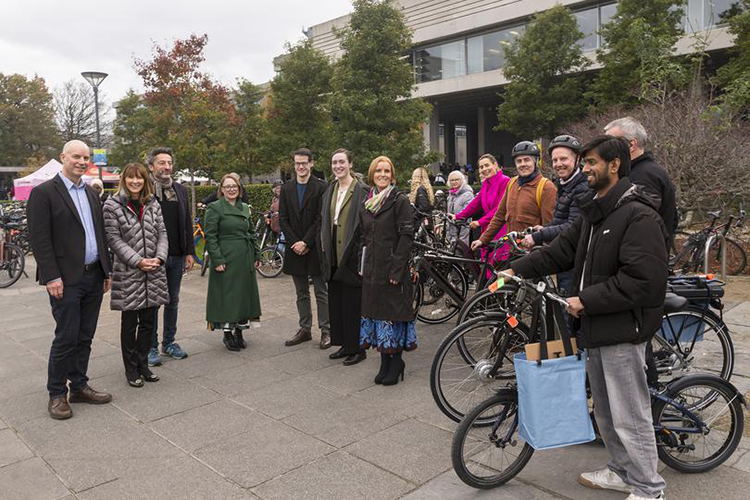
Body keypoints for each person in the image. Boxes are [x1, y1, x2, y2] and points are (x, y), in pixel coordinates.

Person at [504, 135, 668, 500]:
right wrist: (516, 271)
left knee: (631, 416)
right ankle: (622, 471)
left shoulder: (638, 214)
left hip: (623, 330)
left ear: (614, 165)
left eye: (592, 162)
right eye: (586, 162)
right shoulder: (597, 211)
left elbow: (644, 282)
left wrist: (586, 301)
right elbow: (560, 251)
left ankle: (649, 488)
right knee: (607, 414)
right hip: (595, 328)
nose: (586, 168)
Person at [27, 140, 113, 420]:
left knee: (85, 336)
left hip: (94, 275)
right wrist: (51, 275)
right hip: (65, 279)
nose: (81, 161)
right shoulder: (43, 193)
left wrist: (106, 270)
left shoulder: (90, 193)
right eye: (76, 156)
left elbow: (98, 234)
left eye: (86, 157)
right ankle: (56, 394)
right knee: (66, 337)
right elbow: (40, 239)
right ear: (63, 157)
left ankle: (78, 386)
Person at [103, 163, 168, 387]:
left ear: (145, 180)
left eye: (139, 178)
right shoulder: (112, 205)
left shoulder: (152, 202)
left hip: (154, 271)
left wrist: (159, 258)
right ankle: (131, 369)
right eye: (131, 178)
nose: (135, 182)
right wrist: (137, 260)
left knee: (149, 323)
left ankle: (143, 365)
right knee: (130, 323)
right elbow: (113, 239)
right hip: (130, 272)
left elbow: (162, 232)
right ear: (124, 179)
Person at [359, 156, 417, 386]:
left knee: (393, 317)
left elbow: (406, 236)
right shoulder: (368, 200)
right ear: (372, 174)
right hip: (372, 268)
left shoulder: (399, 200)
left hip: (393, 269)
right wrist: (361, 264)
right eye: (378, 171)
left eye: (386, 171)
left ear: (392, 175)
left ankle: (396, 363)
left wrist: (396, 269)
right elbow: (363, 236)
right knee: (378, 315)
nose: (382, 174)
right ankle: (385, 361)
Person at [520, 135, 592, 297]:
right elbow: (561, 219)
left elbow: (572, 226)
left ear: (577, 158)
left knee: (568, 311)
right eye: (555, 160)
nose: (558, 164)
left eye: (564, 159)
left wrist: (538, 236)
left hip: (575, 261)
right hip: (565, 257)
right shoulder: (563, 183)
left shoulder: (583, 187)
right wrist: (545, 228)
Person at [319, 149, 368, 366]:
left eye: (341, 162)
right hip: (333, 255)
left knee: (353, 304)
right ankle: (343, 344)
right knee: (336, 302)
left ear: (350, 164)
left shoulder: (362, 190)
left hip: (352, 254)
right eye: (334, 162)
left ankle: (357, 348)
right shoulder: (330, 190)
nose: (337, 166)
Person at [146, 147, 194, 366]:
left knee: (172, 302)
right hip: (153, 258)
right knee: (153, 303)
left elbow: (186, 222)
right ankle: (150, 347)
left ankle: (169, 343)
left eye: (169, 163)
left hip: (176, 255)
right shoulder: (144, 190)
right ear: (151, 166)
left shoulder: (180, 190)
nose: (166, 167)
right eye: (161, 163)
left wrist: (189, 252)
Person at [278, 148, 331, 348]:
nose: (300, 166)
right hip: (294, 248)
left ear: (311, 164)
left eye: (304, 163)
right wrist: (295, 242)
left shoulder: (321, 187)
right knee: (301, 292)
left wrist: (306, 242)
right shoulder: (287, 188)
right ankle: (305, 329)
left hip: (314, 247)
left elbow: (320, 218)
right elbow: (282, 218)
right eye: (297, 163)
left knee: (321, 291)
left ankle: (326, 331)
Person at [205, 173, 262, 351]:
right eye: (227, 186)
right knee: (228, 296)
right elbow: (211, 236)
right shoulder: (214, 208)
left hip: (244, 257)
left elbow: (251, 232)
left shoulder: (245, 207)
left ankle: (240, 331)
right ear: (221, 190)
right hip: (226, 257)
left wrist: (257, 254)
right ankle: (227, 333)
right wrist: (217, 259)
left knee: (243, 295)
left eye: (234, 186)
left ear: (239, 189)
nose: (231, 189)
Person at [471, 142, 557, 252]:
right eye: (519, 161)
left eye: (527, 160)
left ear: (535, 162)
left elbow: (549, 227)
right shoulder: (512, 183)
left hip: (533, 253)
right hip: (513, 250)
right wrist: (483, 239)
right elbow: (499, 216)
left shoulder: (546, 187)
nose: (522, 164)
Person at [604, 116, 677, 243]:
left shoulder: (644, 176)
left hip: (640, 256)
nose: (604, 150)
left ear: (631, 145)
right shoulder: (640, 170)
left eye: (610, 143)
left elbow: (641, 226)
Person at [453, 154, 510, 264]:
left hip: (500, 228)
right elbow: (476, 203)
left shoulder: (505, 181)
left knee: (499, 265)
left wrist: (480, 222)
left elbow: (500, 209)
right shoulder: (486, 184)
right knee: (487, 265)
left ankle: (502, 282)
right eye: (481, 167)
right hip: (487, 228)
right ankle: (489, 281)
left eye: (487, 165)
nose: (484, 169)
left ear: (495, 165)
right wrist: (458, 216)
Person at [446, 171, 474, 246]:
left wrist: (457, 217)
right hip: (452, 229)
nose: (454, 182)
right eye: (452, 180)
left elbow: (468, 212)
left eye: (457, 179)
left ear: (462, 180)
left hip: (463, 229)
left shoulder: (468, 195)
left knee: (461, 250)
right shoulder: (450, 195)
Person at [409, 167, 434, 233]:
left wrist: (413, 216)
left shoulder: (420, 189)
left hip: (420, 222)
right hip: (426, 221)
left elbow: (423, 207)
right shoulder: (425, 188)